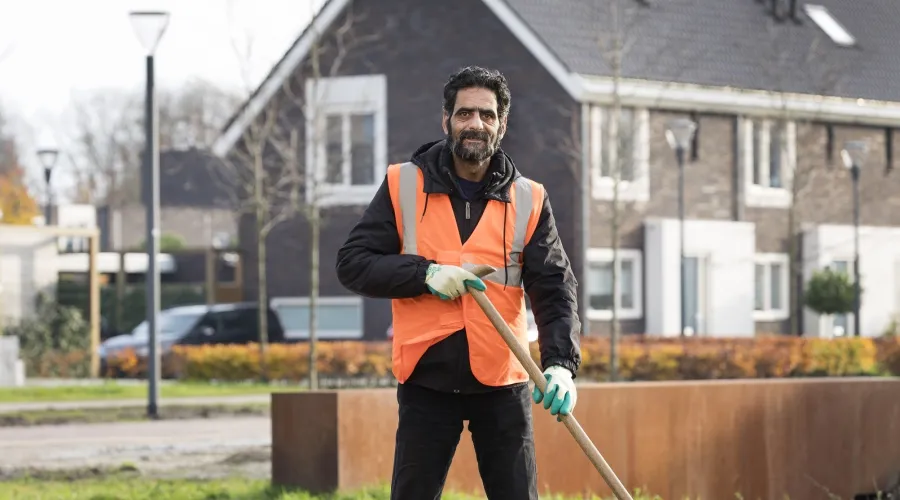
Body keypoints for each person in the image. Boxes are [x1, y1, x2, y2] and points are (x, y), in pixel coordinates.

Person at [335, 65, 582, 500]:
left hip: (503, 381)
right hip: (426, 379)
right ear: (446, 119)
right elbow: (353, 263)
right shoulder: (402, 184)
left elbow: (555, 289)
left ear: (502, 124)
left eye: (487, 115)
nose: (476, 124)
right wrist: (424, 274)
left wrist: (561, 364)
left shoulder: (529, 199)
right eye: (465, 113)